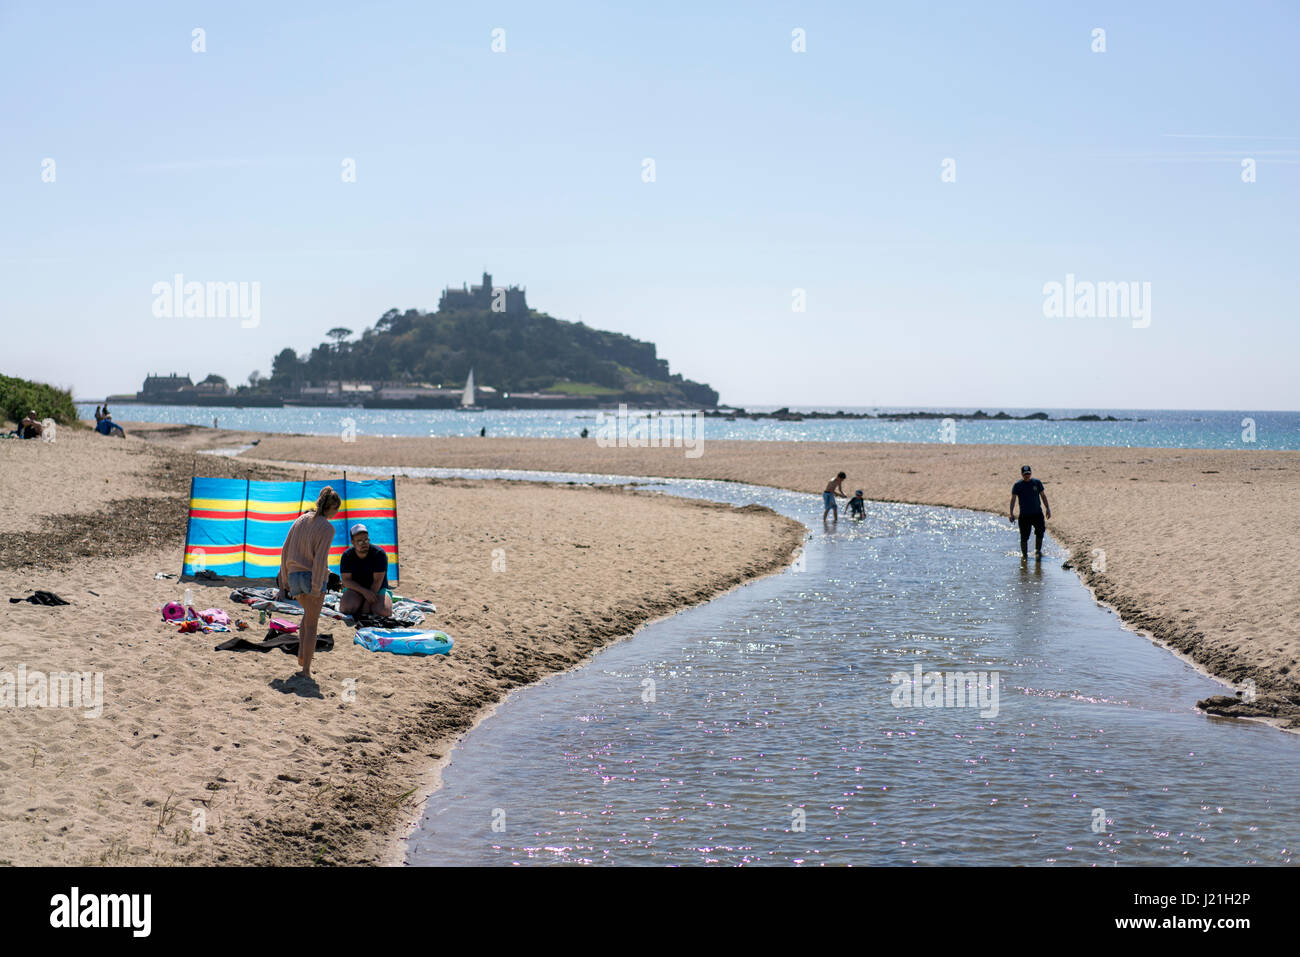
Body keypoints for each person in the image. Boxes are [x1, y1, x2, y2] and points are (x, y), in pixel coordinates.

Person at [276, 486, 341, 680]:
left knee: (307, 617)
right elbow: (320, 561)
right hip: (311, 578)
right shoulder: (327, 528)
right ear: (332, 508)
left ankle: (302, 657)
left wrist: (283, 581)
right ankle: (306, 670)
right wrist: (315, 587)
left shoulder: (301, 519)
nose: (337, 513)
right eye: (336, 509)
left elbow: (285, 550)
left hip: (294, 577)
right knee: (312, 624)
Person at [338, 523, 393, 618]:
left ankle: (368, 604)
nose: (364, 543)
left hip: (377, 589)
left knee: (383, 611)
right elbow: (346, 580)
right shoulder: (347, 556)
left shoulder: (379, 554)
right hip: (356, 589)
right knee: (346, 608)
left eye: (366, 540)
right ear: (352, 542)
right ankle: (359, 602)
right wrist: (364, 592)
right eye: (359, 541)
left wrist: (367, 604)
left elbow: (377, 581)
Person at [1009, 465, 1051, 560]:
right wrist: (1011, 513)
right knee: (1024, 537)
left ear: (1031, 473)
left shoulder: (1037, 483)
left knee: (1040, 532)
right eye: (1025, 474)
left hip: (1037, 514)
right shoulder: (1017, 485)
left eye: (1028, 474)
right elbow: (1013, 500)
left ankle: (1038, 551)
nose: (1027, 476)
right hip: (1024, 516)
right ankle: (1024, 556)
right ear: (1022, 474)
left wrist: (1048, 508)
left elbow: (1043, 496)